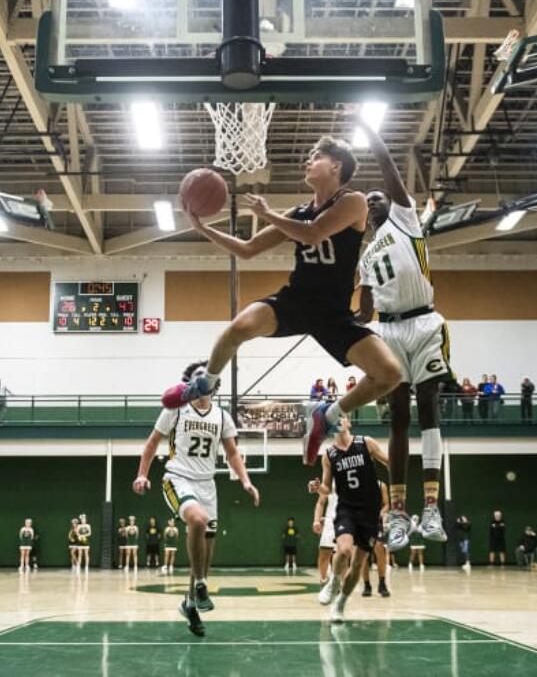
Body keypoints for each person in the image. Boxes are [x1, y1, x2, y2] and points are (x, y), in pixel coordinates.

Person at [166, 136, 402, 467]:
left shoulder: (355, 202)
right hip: (297, 300)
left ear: (335, 166)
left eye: (315, 156)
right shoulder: (299, 211)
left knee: (390, 374)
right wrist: (201, 227)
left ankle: (329, 414)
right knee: (238, 328)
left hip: (333, 312)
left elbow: (313, 234)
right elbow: (247, 249)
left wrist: (268, 213)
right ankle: (205, 382)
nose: (308, 161)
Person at [351, 120, 452, 552]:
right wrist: (347, 320)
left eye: (379, 196)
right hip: (388, 328)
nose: (374, 200)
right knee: (397, 416)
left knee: (427, 405)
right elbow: (366, 309)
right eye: (369, 199)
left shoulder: (407, 219)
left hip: (426, 323)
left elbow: (388, 167)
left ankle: (431, 507)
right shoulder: (366, 253)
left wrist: (367, 130)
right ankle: (397, 513)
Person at [134, 360, 259, 636]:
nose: (204, 377)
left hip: (207, 485)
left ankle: (190, 602)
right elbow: (152, 442)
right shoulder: (176, 410)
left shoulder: (223, 417)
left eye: (207, 374)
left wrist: (246, 481)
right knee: (198, 521)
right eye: (197, 374)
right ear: (189, 383)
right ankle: (200, 585)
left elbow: (232, 453)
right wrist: (142, 474)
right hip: (177, 478)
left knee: (205, 557)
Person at [312, 413, 389, 622]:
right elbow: (328, 487)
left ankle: (341, 603)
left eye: (341, 416)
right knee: (344, 550)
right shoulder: (329, 455)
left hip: (370, 512)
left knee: (357, 565)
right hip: (347, 508)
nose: (338, 420)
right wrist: (320, 487)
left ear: (349, 422)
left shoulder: (366, 443)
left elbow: (389, 462)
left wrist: (400, 479)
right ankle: (334, 580)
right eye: (333, 419)